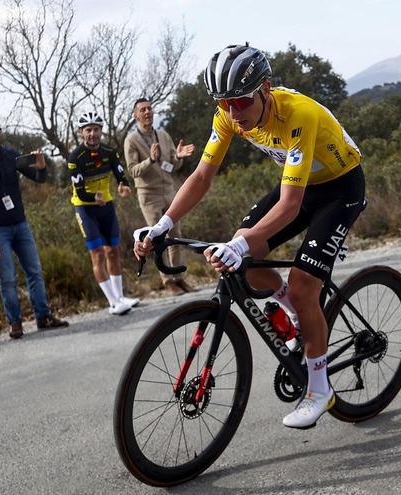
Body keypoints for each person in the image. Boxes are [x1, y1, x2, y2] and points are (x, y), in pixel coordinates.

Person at [134, 44, 366, 429]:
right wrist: (163, 224)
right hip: (305, 186)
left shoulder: (298, 115)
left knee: (304, 282)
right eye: (224, 104)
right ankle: (293, 312)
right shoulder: (227, 115)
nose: (234, 113)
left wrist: (240, 244)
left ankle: (320, 389)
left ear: (265, 89)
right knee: (245, 254)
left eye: (241, 102)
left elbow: (290, 205)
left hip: (340, 188)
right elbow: (201, 177)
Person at [0, 119, 69, 339]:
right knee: (8, 277)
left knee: (35, 270)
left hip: (20, 224)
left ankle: (43, 316)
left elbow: (38, 178)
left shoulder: (10, 155)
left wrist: (42, 168)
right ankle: (15, 322)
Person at [68, 112, 138, 316]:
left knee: (113, 251)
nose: (92, 134)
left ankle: (120, 297)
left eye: (96, 129)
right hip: (85, 207)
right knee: (97, 253)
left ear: (101, 131)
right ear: (81, 133)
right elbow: (80, 190)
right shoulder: (76, 157)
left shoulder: (109, 151)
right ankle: (113, 302)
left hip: (106, 205)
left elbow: (119, 174)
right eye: (88, 130)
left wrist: (123, 186)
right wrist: (93, 198)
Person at [124, 98, 196, 294]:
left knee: (175, 236)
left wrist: (179, 158)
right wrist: (150, 160)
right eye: (142, 110)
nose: (147, 112)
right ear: (135, 115)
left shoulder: (163, 135)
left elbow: (173, 164)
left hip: (169, 191)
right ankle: (167, 281)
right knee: (157, 238)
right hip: (149, 195)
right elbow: (133, 171)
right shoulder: (131, 140)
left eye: (149, 108)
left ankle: (179, 278)